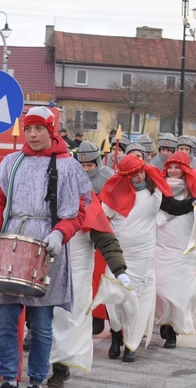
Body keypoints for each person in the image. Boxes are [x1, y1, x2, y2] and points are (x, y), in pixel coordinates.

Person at [0, 106, 91, 388]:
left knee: (42, 324)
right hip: (10, 242)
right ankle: (9, 381)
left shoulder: (69, 166)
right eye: (28, 129)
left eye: (39, 129)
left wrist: (60, 234)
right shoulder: (10, 163)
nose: (32, 134)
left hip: (47, 245)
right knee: (5, 320)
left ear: (50, 130)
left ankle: (35, 384)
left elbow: (77, 211)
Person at [99, 154, 196, 361]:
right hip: (119, 254)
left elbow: (173, 207)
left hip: (144, 253)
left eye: (141, 172)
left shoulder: (155, 190)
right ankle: (116, 335)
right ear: (125, 176)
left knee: (140, 298)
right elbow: (101, 221)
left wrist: (190, 202)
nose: (139, 177)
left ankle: (131, 345)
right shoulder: (114, 193)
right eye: (134, 175)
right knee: (115, 298)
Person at [48, 188, 129, 388]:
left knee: (70, 320)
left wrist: (119, 269)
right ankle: (46, 365)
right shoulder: (42, 196)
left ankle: (59, 369)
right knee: (45, 322)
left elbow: (105, 238)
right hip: (45, 270)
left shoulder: (85, 200)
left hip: (77, 274)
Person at [154, 151, 196, 348]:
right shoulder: (157, 188)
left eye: (177, 167)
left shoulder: (193, 189)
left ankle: (172, 328)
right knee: (160, 286)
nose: (173, 170)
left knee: (180, 290)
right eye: (170, 167)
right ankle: (163, 318)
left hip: (184, 246)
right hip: (162, 243)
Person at [74, 140, 115, 336]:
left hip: (99, 230)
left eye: (89, 165)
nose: (85, 169)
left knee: (99, 275)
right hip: (77, 231)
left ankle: (99, 315)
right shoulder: (71, 178)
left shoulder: (108, 180)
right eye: (82, 165)